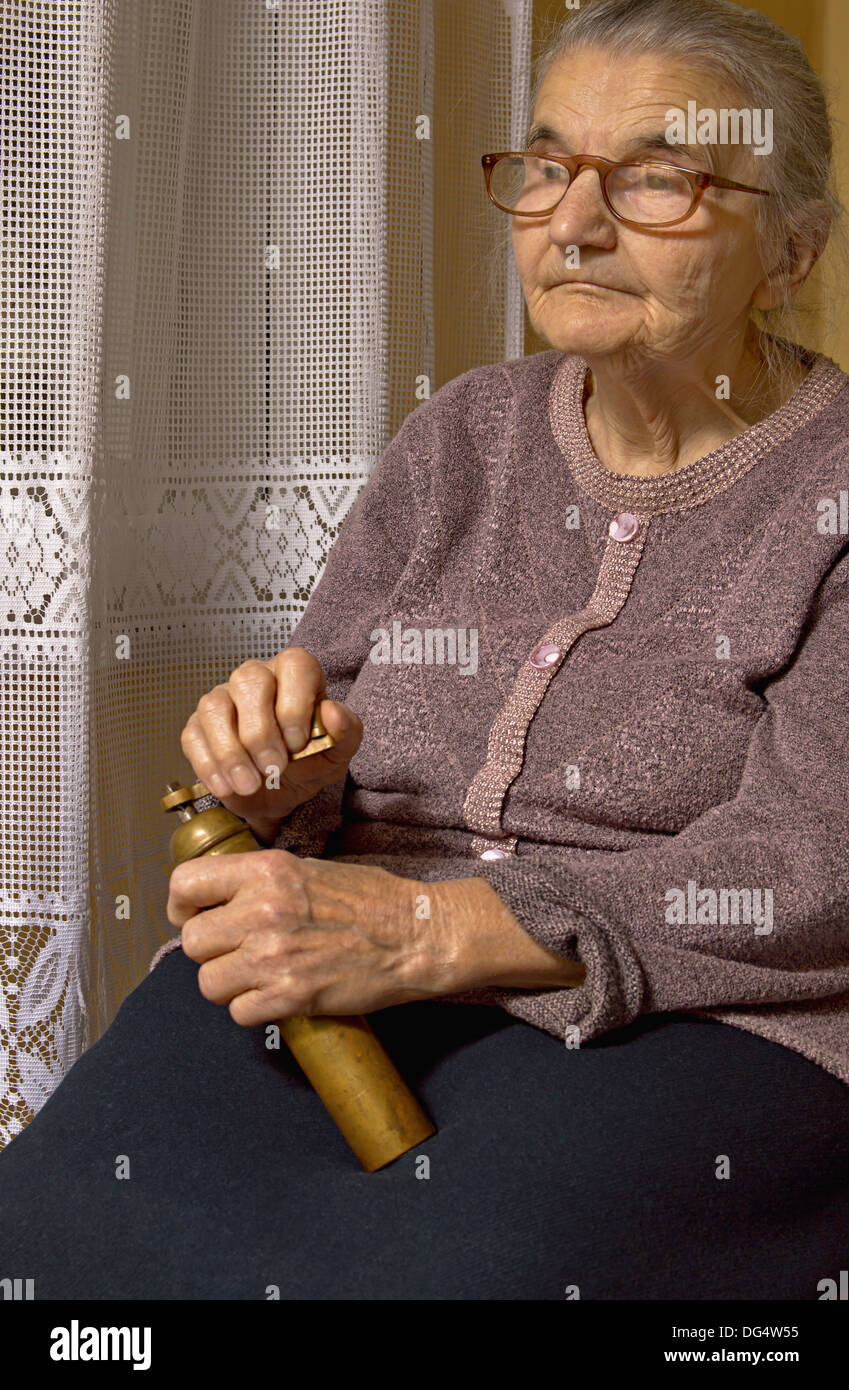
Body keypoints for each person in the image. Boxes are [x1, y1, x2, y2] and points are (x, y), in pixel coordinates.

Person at [2, 0, 849, 1300]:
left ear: (788, 246)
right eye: (549, 167)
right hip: (342, 959)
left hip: (701, 1009)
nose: (571, 223)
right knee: (50, 1231)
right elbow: (326, 746)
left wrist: (430, 929)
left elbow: (806, 871)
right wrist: (284, 777)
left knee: (437, 1279)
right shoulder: (462, 437)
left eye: (657, 180)